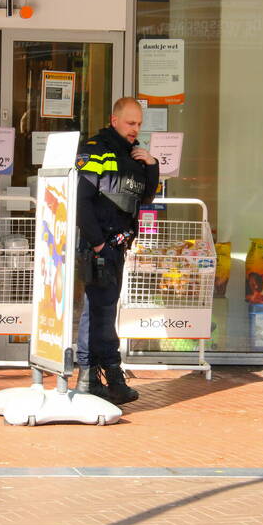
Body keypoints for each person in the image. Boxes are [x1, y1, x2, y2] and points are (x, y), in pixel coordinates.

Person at [74, 97, 159, 405]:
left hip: (117, 243)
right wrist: (98, 244)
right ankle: (95, 376)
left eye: (139, 124)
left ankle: (104, 376)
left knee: (103, 310)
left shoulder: (133, 153)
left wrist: (151, 165)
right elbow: (82, 200)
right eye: (130, 123)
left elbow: (145, 198)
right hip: (99, 243)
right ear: (114, 120)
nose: (135, 129)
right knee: (99, 310)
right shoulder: (96, 149)